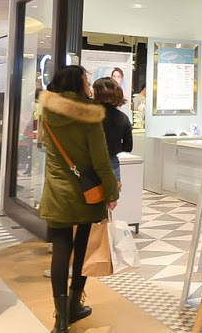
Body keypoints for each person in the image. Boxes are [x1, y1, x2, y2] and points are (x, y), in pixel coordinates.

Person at [39, 66, 119, 332]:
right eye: (86, 79)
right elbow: (101, 162)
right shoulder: (90, 116)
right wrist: (112, 192)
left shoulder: (48, 112)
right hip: (86, 194)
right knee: (83, 249)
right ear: (77, 83)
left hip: (57, 192)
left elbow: (48, 148)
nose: (88, 84)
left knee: (61, 249)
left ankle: (61, 320)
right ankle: (74, 306)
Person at [92, 78, 133, 182]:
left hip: (90, 164)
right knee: (112, 191)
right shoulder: (123, 118)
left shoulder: (88, 116)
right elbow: (128, 146)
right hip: (112, 164)